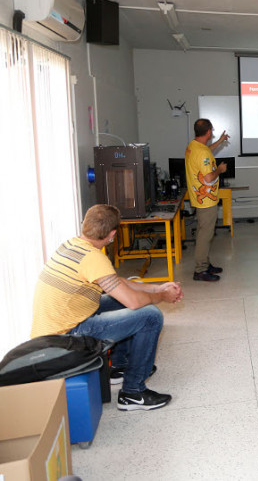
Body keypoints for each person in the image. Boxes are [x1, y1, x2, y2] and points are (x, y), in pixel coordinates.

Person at [31, 204, 184, 411]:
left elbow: (117, 281)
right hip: (65, 338)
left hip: (54, 329)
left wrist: (157, 287)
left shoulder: (72, 245)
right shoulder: (94, 258)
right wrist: (163, 296)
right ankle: (133, 392)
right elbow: (134, 302)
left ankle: (119, 367)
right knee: (150, 316)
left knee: (121, 297)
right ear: (112, 234)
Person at [185, 118, 230, 281]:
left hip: (198, 199)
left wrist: (220, 141)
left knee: (205, 233)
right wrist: (220, 169)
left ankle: (205, 263)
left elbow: (206, 150)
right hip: (206, 201)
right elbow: (208, 178)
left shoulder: (193, 146)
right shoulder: (202, 152)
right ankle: (200, 270)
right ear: (209, 131)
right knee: (205, 235)